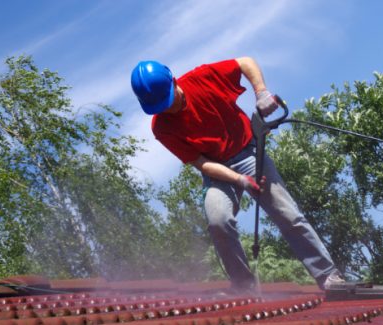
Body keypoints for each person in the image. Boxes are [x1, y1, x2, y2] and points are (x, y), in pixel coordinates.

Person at [130, 57, 346, 292]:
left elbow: (245, 62)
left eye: (167, 101)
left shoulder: (202, 78)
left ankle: (328, 276)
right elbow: (201, 164)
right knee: (218, 220)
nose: (167, 108)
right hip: (217, 170)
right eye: (160, 106)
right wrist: (239, 180)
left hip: (249, 154)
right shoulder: (161, 127)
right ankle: (243, 285)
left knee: (288, 214)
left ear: (173, 81)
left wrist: (261, 93)